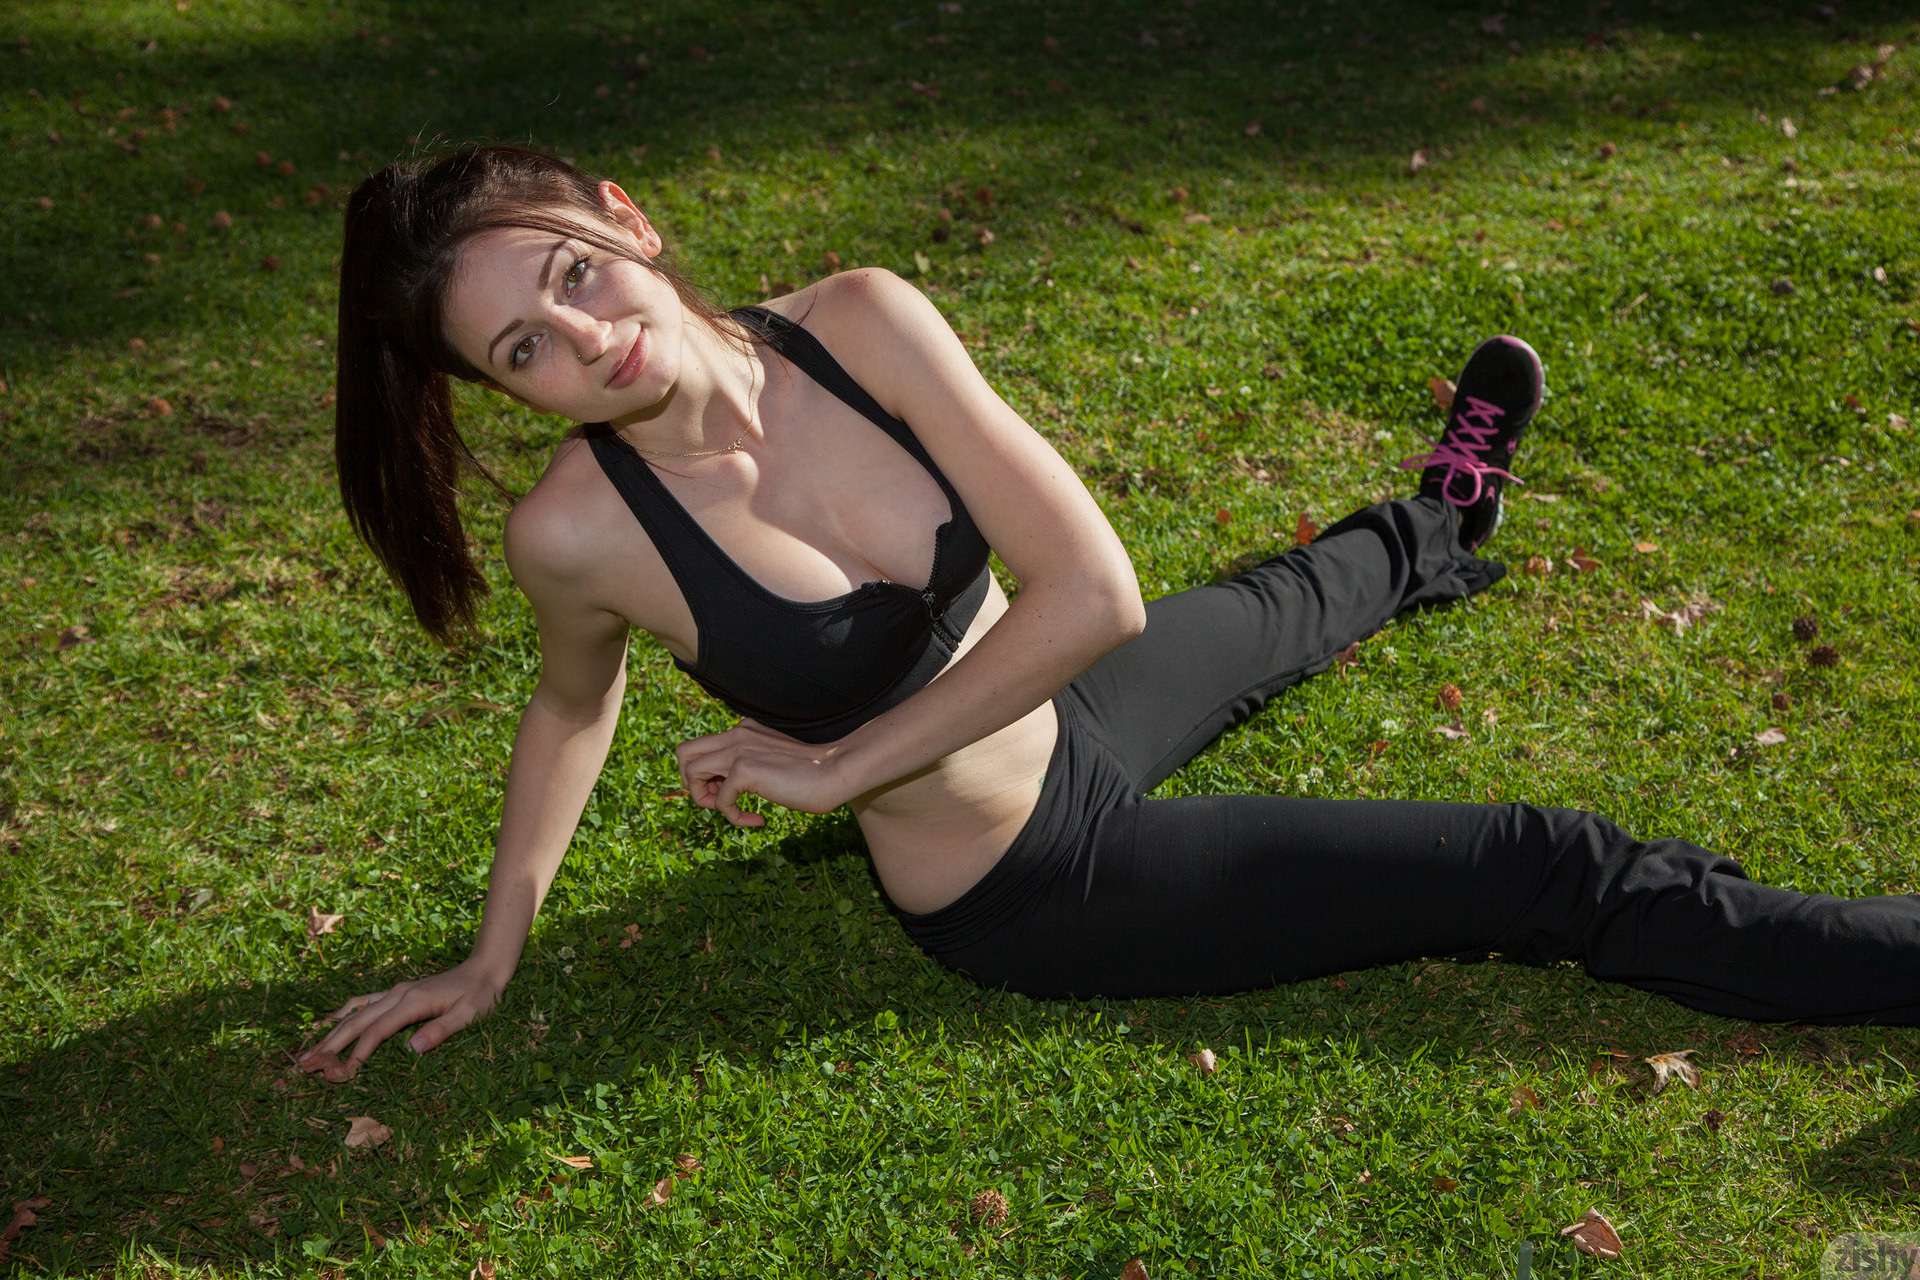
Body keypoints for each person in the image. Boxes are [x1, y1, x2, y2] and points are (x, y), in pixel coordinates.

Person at [300, 145, 1918, 1080]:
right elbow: (571, 705)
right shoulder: (578, 533)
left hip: (1062, 697)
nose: (585, 340)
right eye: (524, 351)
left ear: (625, 217)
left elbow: (1094, 594)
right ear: (503, 394)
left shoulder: (858, 323)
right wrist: (493, 956)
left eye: (573, 275)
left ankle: (1442, 518)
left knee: (1278, 597)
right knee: (1541, 864)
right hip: (1033, 880)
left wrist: (834, 766)